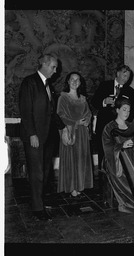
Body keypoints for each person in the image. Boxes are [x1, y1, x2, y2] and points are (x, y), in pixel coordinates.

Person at [19, 54, 65, 221]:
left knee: (45, 172)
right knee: (36, 173)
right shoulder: (29, 83)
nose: (55, 70)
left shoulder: (49, 86)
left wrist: (63, 128)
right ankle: (37, 209)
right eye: (53, 67)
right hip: (35, 137)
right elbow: (25, 111)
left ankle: (41, 201)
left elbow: (51, 113)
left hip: (48, 137)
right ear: (45, 65)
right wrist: (32, 134)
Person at [91, 65, 134, 170]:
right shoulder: (104, 86)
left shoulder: (130, 91)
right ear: (117, 73)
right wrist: (104, 102)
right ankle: (103, 176)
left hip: (120, 129)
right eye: (124, 75)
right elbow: (94, 102)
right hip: (104, 126)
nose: (126, 79)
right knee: (103, 152)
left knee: (119, 155)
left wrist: (126, 127)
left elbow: (133, 110)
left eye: (128, 77)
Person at [56, 71, 93, 197]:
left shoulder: (83, 99)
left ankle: (80, 185)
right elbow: (60, 115)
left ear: (80, 83)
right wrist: (76, 122)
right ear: (68, 81)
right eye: (72, 79)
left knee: (80, 159)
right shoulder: (63, 97)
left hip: (82, 133)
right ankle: (71, 186)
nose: (74, 81)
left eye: (77, 80)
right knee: (71, 159)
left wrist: (87, 120)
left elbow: (88, 113)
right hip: (70, 131)